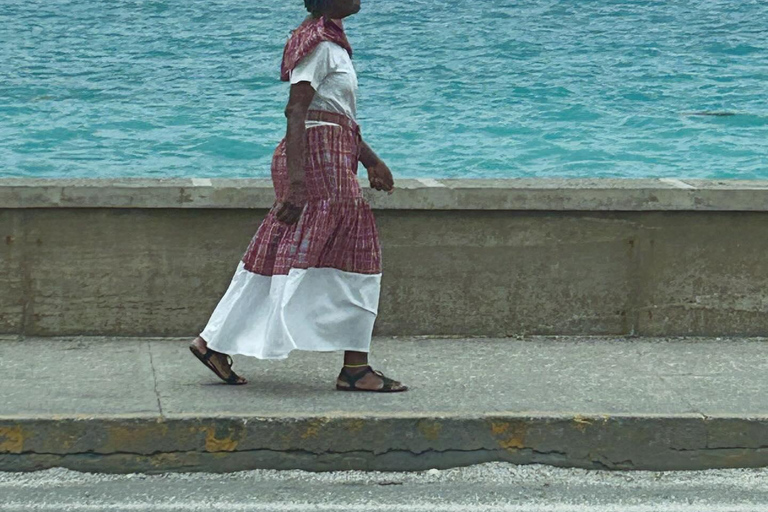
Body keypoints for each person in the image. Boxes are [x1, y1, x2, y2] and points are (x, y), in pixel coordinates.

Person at [189, 0, 407, 393]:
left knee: (280, 253)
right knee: (360, 256)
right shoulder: (319, 45)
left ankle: (212, 341)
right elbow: (297, 111)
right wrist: (296, 184)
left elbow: (334, 112)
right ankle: (355, 368)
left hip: (332, 155)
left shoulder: (330, 42)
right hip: (318, 161)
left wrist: (371, 160)